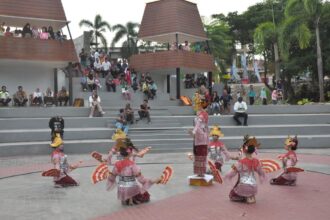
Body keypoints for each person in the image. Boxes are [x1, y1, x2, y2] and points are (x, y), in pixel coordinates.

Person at [106, 139, 162, 205]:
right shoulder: (132, 164)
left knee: (127, 182)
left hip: (122, 188)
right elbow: (141, 179)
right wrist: (151, 181)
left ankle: (129, 199)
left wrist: (110, 177)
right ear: (130, 152)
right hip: (131, 184)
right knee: (142, 191)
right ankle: (132, 199)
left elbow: (112, 176)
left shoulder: (117, 163)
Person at [225, 136, 265, 204]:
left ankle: (244, 196)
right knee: (250, 186)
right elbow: (261, 173)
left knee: (231, 194)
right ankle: (250, 196)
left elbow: (231, 174)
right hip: (254, 187)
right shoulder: (257, 161)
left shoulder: (240, 162)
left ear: (244, 149)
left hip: (243, 185)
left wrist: (227, 177)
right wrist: (261, 178)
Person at [188, 108, 209, 177]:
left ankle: (202, 172)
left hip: (202, 141)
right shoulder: (198, 119)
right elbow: (197, 127)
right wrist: (193, 132)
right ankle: (199, 172)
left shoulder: (203, 119)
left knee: (202, 157)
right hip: (199, 141)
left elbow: (201, 128)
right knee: (198, 157)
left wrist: (193, 132)